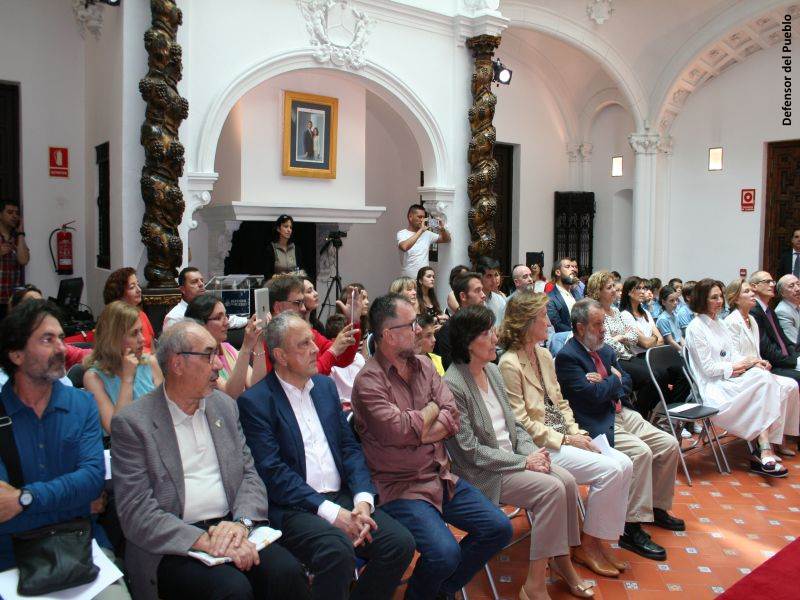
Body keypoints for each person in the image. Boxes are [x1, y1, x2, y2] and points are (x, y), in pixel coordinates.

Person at [111, 321, 310, 600]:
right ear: (177, 364)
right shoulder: (134, 424)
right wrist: (205, 541)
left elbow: (250, 477)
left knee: (287, 572)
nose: (218, 364)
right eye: (208, 355)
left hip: (232, 529)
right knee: (231, 590)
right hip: (174, 544)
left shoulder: (224, 406)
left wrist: (240, 525)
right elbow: (137, 513)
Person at [237, 312, 415, 600]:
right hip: (295, 507)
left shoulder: (324, 387)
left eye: (312, 340)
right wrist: (334, 515)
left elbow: (349, 448)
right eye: (304, 344)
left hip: (342, 497)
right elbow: (273, 473)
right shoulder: (256, 402)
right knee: (337, 550)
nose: (315, 349)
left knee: (399, 542)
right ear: (280, 355)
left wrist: (363, 502)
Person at [352, 294, 512, 600]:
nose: (418, 330)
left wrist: (416, 426)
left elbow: (452, 417)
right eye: (410, 325)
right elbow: (397, 431)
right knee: (445, 552)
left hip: (440, 477)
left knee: (498, 528)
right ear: (388, 335)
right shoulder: (369, 381)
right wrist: (428, 414)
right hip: (400, 487)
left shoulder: (425, 365)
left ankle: (437, 591)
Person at [446, 304, 595, 599]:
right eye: (487, 333)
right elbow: (469, 452)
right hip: (485, 472)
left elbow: (515, 425)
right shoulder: (453, 384)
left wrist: (532, 455)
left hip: (515, 459)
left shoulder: (491, 369)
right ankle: (535, 583)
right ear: (467, 342)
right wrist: (523, 461)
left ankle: (562, 562)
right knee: (551, 491)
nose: (495, 337)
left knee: (565, 481)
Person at [498, 293, 633, 579]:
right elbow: (520, 421)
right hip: (541, 446)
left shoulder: (544, 355)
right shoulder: (509, 363)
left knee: (625, 464)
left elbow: (560, 404)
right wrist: (567, 440)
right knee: (610, 470)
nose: (548, 322)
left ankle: (598, 541)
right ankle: (586, 546)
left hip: (565, 435)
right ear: (525, 323)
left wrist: (577, 432)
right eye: (542, 317)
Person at [0, 300, 129, 598]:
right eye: (47, 339)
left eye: (60, 337)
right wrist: (78, 505)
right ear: (16, 354)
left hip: (81, 543)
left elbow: (92, 481)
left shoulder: (81, 405)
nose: (61, 347)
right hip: (11, 554)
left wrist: (26, 498)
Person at [555, 299, 683, 562]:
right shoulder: (568, 357)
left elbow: (627, 382)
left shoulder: (604, 350)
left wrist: (608, 381)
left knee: (668, 444)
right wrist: (611, 379)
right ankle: (630, 526)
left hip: (622, 412)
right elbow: (590, 397)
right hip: (597, 422)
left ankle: (656, 507)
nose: (604, 329)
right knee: (641, 452)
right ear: (580, 328)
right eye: (598, 324)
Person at [685, 279, 791, 478]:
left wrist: (752, 361)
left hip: (729, 377)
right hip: (714, 387)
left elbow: (733, 354)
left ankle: (762, 446)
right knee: (764, 383)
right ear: (701, 300)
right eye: (713, 298)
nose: (719, 301)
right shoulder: (695, 327)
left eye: (720, 297)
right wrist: (737, 367)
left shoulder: (719, 323)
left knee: (765, 378)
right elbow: (708, 369)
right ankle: (763, 448)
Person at [723, 278, 799, 458]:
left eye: (751, 291)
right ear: (735, 299)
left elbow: (756, 350)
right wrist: (756, 362)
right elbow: (734, 355)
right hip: (741, 372)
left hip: (755, 368)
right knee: (774, 386)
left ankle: (778, 438)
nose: (752, 295)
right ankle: (766, 443)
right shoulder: (731, 321)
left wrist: (760, 361)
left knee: (791, 385)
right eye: (747, 292)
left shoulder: (751, 319)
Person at [83, 300, 163, 434]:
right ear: (113, 339)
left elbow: (166, 413)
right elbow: (117, 430)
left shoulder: (150, 363)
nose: (142, 339)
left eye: (141, 331)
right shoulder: (93, 378)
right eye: (134, 333)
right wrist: (127, 379)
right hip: (122, 449)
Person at [619, 276, 690, 415]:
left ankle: (673, 412)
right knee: (659, 375)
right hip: (638, 356)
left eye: (644, 288)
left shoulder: (645, 313)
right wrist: (653, 339)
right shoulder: (625, 315)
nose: (642, 291)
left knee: (683, 370)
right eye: (638, 288)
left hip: (654, 354)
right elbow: (644, 343)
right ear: (628, 292)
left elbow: (660, 340)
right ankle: (643, 413)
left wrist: (651, 339)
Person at [265, 275, 360, 375]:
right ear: (278, 307)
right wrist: (332, 352)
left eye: (302, 302)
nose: (303, 309)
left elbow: (343, 359)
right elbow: (303, 377)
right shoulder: (264, 341)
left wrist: (353, 320)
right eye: (298, 303)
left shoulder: (309, 333)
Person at [185, 294, 267, 400]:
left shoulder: (228, 348)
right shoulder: (198, 357)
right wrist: (246, 346)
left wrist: (259, 343)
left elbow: (255, 385)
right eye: (219, 318)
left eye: (226, 316)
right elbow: (231, 395)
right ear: (200, 324)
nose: (227, 323)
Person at [748, 271, 800, 386]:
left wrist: (796, 357)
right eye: (767, 282)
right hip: (770, 365)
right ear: (754, 286)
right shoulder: (753, 311)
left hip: (783, 360)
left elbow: (784, 340)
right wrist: (794, 362)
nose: (772, 285)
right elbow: (766, 348)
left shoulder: (769, 310)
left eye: (772, 282)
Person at [163, 267, 248, 330]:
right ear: (183, 289)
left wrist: (248, 321)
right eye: (194, 282)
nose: (201, 284)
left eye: (202, 280)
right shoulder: (175, 317)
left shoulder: (207, 307)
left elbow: (230, 320)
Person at [434, 272, 486, 370]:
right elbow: (450, 369)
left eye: (482, 290)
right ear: (463, 296)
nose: (483, 295)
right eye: (477, 291)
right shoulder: (448, 331)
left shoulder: (483, 325)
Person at [103, 267, 156, 353]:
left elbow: (153, 349)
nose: (139, 290)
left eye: (138, 285)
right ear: (119, 293)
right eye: (132, 287)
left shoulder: (142, 315)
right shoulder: (113, 320)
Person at [397, 204, 451, 278]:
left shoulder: (427, 234)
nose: (422, 220)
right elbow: (404, 247)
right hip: (408, 280)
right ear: (410, 217)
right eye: (419, 217)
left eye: (423, 217)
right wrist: (421, 230)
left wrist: (442, 229)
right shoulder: (402, 233)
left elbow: (446, 239)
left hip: (424, 279)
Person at [325, 313, 367, 408]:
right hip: (339, 408)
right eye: (347, 336)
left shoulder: (359, 358)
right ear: (333, 340)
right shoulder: (329, 362)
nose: (351, 340)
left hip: (361, 406)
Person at [0, 200, 29, 319]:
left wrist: (21, 233)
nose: (14, 216)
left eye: (17, 213)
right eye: (10, 212)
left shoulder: (17, 239)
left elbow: (23, 260)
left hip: (12, 301)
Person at [265, 215, 304, 281]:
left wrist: (294, 274)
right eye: (286, 226)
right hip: (277, 288)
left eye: (290, 227)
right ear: (278, 229)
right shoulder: (271, 249)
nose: (289, 230)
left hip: (293, 287)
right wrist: (282, 277)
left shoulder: (296, 249)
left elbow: (302, 272)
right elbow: (267, 275)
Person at [546, 258, 579, 332]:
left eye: (573, 267)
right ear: (558, 272)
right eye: (568, 267)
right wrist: (577, 334)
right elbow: (556, 324)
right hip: (564, 339)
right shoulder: (550, 297)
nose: (573, 269)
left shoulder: (576, 293)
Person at [477, 256, 507, 324]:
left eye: (496, 275)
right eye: (489, 276)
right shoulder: (473, 300)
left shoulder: (500, 300)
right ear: (479, 277)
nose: (494, 280)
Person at [655, 285, 684, 352]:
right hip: (670, 350)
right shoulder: (663, 319)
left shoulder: (675, 315)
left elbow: (679, 336)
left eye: (676, 300)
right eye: (671, 301)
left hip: (678, 346)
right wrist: (682, 352)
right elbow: (670, 341)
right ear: (663, 302)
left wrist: (685, 348)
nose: (675, 303)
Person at [776, 274, 800, 345]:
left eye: (798, 284)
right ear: (782, 293)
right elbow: (795, 341)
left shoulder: (797, 305)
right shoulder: (782, 311)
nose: (798, 289)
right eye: (791, 286)